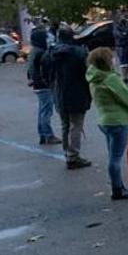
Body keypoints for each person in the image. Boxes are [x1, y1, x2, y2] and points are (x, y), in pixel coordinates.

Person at [85, 48, 128, 200]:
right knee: (115, 158)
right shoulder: (111, 79)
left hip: (104, 120)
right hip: (118, 121)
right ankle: (117, 189)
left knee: (112, 155)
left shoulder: (94, 78)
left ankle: (118, 185)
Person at [49, 26, 92, 169]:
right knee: (76, 125)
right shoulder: (78, 52)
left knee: (65, 124)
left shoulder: (52, 52)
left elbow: (48, 73)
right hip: (77, 92)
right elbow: (87, 73)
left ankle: (68, 153)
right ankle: (73, 155)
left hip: (60, 92)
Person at [27, 27, 59, 144]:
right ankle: (48, 135)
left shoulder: (34, 51)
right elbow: (47, 69)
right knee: (46, 111)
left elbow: (30, 69)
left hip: (38, 84)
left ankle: (42, 134)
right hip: (44, 85)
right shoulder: (42, 53)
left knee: (42, 110)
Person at [113, 12, 128, 84]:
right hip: (121, 46)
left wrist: (127, 33)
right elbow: (120, 36)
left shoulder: (126, 24)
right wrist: (127, 33)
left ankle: (126, 78)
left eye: (124, 17)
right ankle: (123, 78)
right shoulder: (116, 26)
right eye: (121, 17)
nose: (123, 18)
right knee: (123, 63)